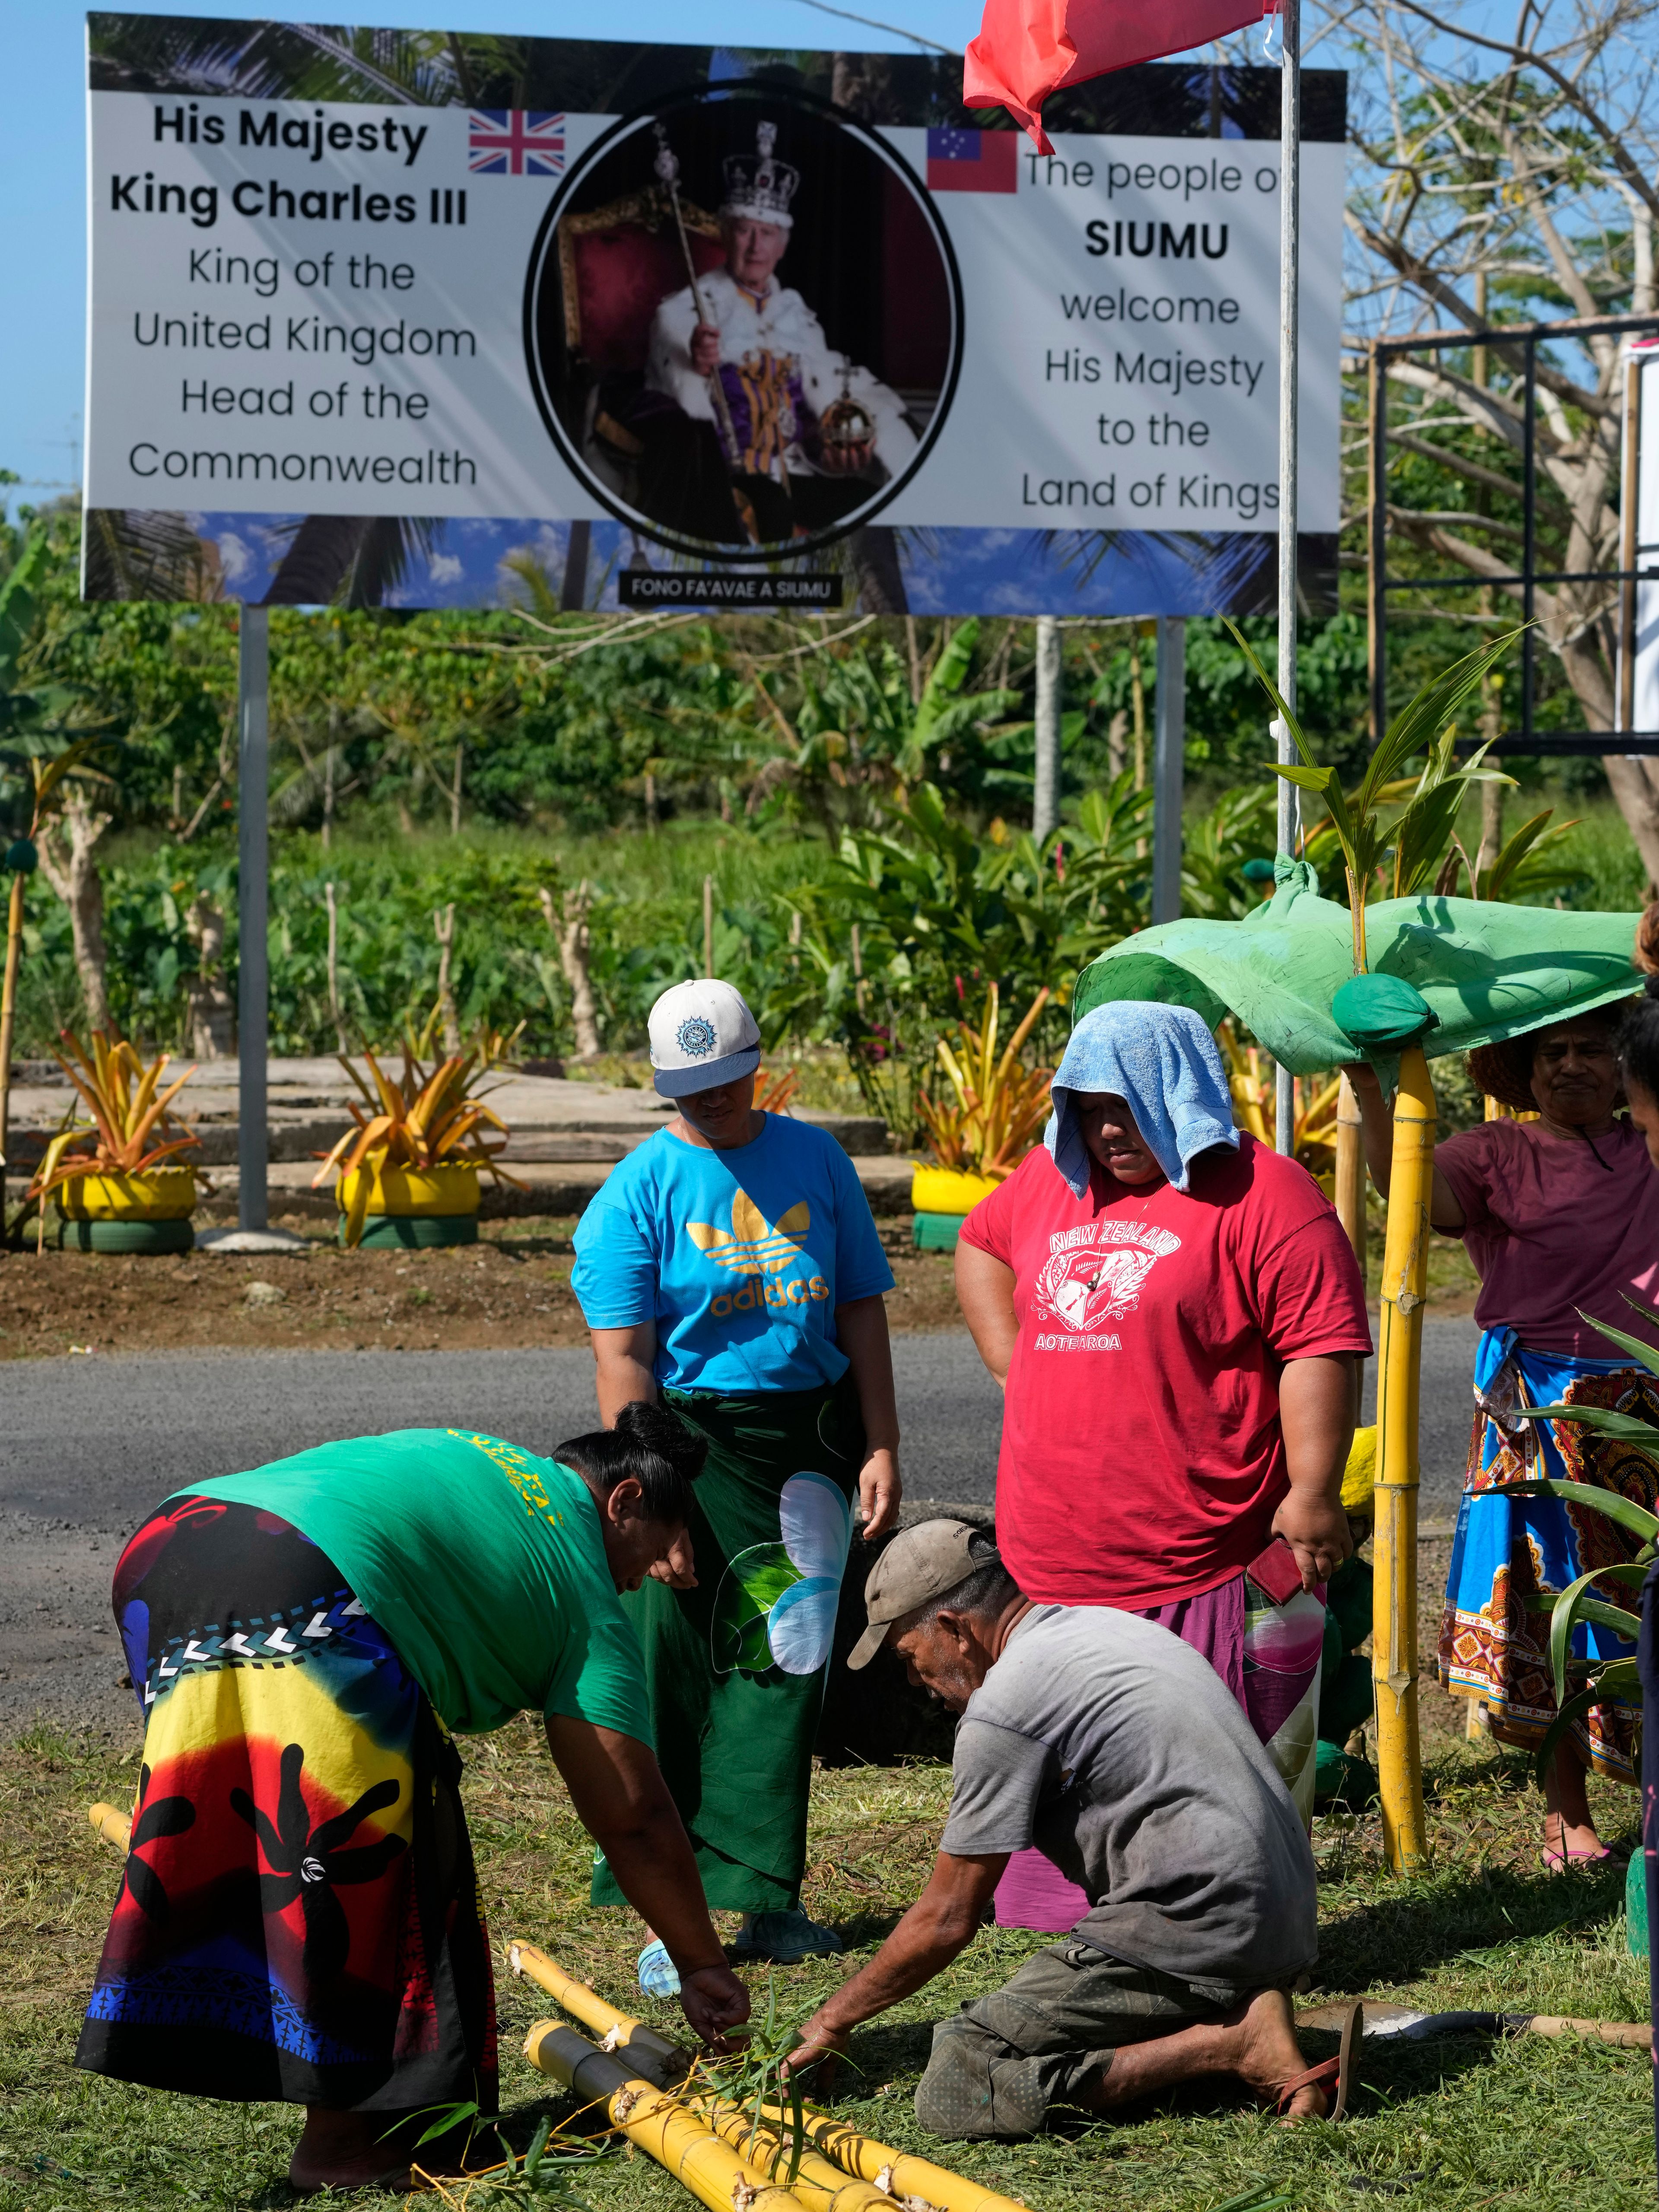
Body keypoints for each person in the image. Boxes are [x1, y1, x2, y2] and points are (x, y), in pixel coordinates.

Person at [76, 1405, 750, 2193]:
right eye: (661, 1541)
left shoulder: (490, 1459)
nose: (657, 1572)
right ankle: (350, 2144)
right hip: (304, 1576)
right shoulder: (582, 1586)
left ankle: (313, 2087)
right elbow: (633, 1818)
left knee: (236, 1829)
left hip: (170, 1550)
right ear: (623, 1501)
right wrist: (701, 1961)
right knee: (364, 1859)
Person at [953, 1001, 1372, 1930]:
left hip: (1200, 1560)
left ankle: (1206, 1935)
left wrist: (1309, 1491)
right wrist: (1010, 1362)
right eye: (1091, 1105)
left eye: (1129, 1103)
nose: (1109, 1128)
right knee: (1070, 1769)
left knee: (1205, 1792)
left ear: (1181, 1089)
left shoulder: (1264, 1193)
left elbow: (1322, 1346)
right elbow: (981, 1243)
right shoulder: (1049, 1181)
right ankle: (1079, 1924)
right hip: (1058, 1562)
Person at [784, 1519, 1353, 2139]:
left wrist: (834, 2020)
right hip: (1285, 1919)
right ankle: (1232, 2010)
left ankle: (1232, 2045)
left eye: (910, 1658)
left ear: (953, 1629)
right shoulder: (1107, 1627)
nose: (919, 1685)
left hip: (1202, 1926)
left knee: (961, 2079)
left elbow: (948, 1918)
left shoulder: (1004, 1707)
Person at [570, 978, 901, 1992]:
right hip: (691, 1446)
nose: (708, 1101)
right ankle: (671, 1909)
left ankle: (768, 1898)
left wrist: (879, 1444)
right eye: (688, 1088)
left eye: (724, 1081)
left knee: (787, 1658)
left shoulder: (817, 1161)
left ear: (757, 1064)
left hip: (806, 1444)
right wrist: (652, 1501)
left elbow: (860, 1313)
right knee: (678, 1665)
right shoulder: (637, 1190)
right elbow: (622, 1360)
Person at [1347, 1005, 1659, 1864]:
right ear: (1525, 1070)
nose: (1570, 1067)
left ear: (1624, 1062)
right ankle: (1569, 1814)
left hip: (1647, 1411)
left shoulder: (1649, 1145)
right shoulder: (1495, 1155)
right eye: (1551, 1052)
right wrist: (1375, 1096)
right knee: (1552, 1608)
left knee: (1646, 1603)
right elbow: (1410, 1188)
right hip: (1541, 1417)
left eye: (1591, 1049)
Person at [640, 119, 918, 547]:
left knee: (866, 503)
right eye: (744, 230)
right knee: (770, 507)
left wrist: (831, 453)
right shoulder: (682, 312)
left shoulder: (799, 318)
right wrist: (695, 362)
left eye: (767, 233)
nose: (755, 247)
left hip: (795, 471)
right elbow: (675, 407)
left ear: (783, 243)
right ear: (724, 233)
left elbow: (811, 413)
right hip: (725, 478)